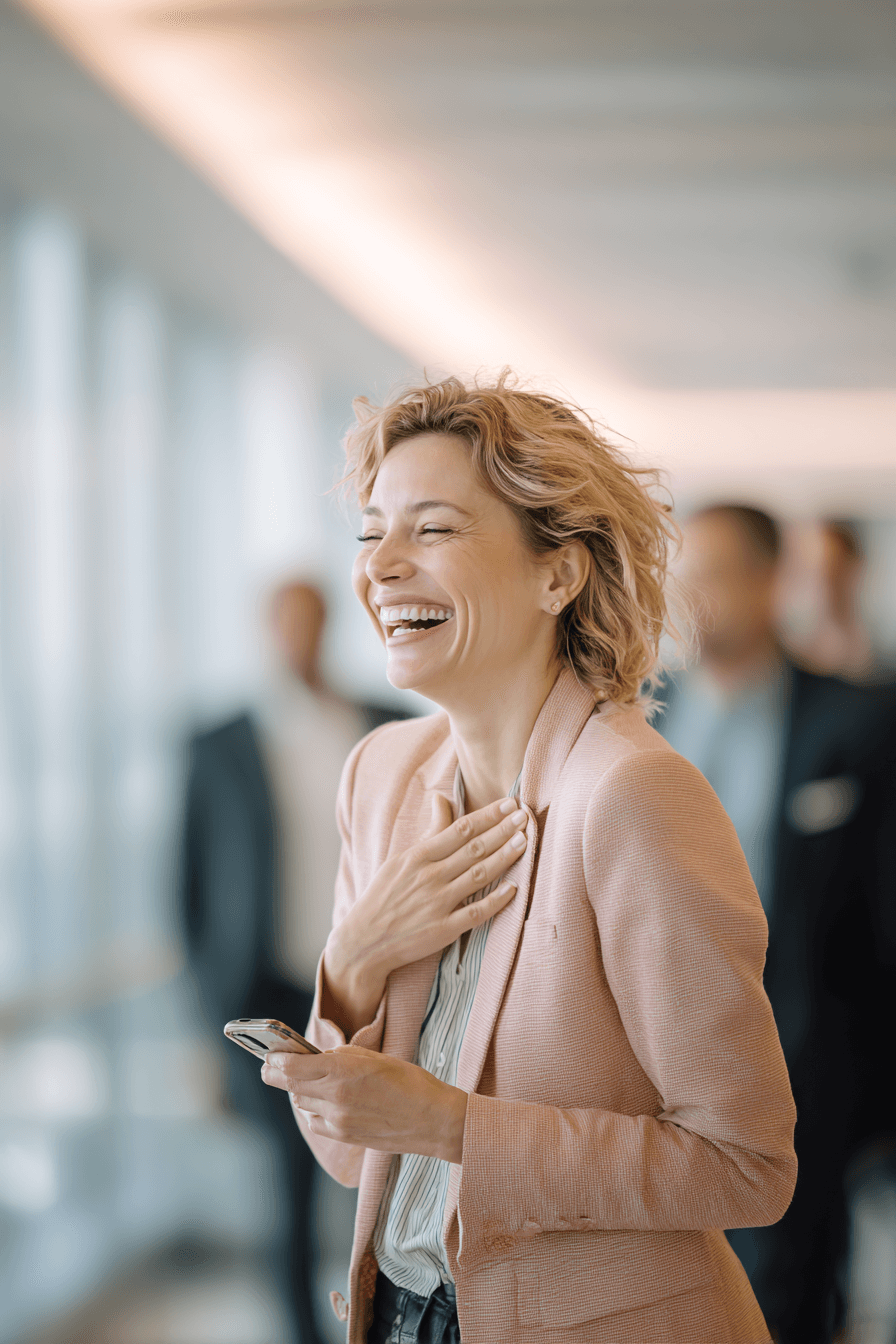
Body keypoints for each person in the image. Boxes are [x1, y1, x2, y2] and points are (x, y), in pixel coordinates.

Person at [260, 375, 797, 1344]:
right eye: (369, 532)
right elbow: (349, 1158)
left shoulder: (629, 797)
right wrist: (349, 965)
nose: (378, 565)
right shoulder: (377, 778)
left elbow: (746, 1163)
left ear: (557, 575)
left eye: (430, 529)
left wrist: (451, 1127)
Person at [657, 504, 896, 1344]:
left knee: (790, 1294)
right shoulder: (638, 716)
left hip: (806, 1065)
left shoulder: (858, 721)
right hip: (658, 1065)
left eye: (715, 573)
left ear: (770, 581)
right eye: (682, 574)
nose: (694, 595)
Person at [180, 579, 409, 1344]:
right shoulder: (220, 743)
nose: (298, 639)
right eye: (284, 625)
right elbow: (188, 889)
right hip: (265, 988)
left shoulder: (384, 727)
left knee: (382, 1172)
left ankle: (384, 1321)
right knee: (289, 1184)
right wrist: (201, 1029)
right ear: (265, 632)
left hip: (373, 987)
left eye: (311, 623)